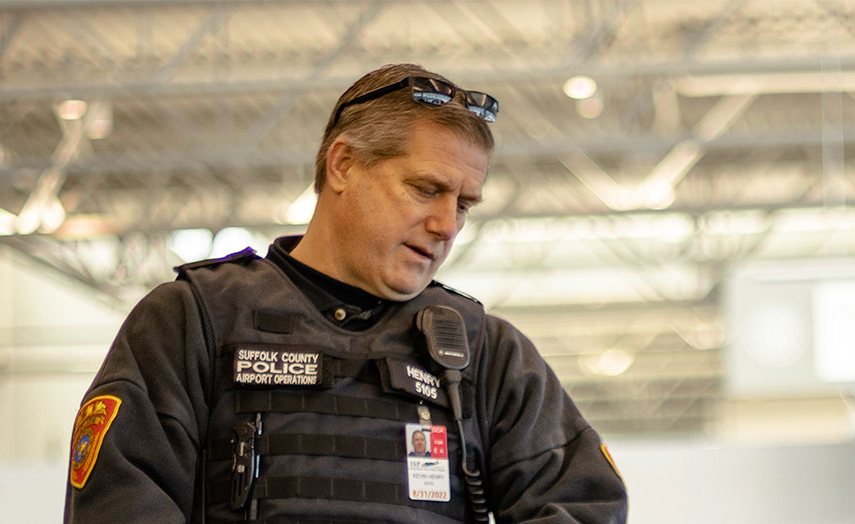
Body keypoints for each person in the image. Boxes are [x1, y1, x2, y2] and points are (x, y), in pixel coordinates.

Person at [63, 63, 628, 523]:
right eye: (425, 189)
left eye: (463, 204)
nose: (446, 225)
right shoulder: (194, 320)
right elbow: (119, 504)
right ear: (343, 164)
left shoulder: (487, 352)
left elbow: (586, 505)